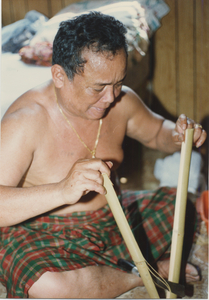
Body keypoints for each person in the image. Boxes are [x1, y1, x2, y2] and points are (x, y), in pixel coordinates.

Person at [0, 12, 207, 298]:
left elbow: (157, 132)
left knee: (180, 205)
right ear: (59, 75)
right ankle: (143, 275)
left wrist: (180, 135)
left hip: (111, 219)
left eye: (118, 83)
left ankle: (106, 273)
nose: (110, 98)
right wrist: (63, 190)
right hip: (43, 234)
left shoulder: (120, 102)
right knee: (49, 285)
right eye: (98, 87)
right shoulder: (26, 120)